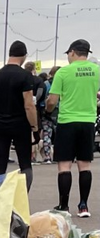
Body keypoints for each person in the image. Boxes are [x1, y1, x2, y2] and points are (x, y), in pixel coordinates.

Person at [47, 39, 99, 218]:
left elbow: (52, 100)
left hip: (67, 121)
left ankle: (63, 205)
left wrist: (48, 110)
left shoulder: (63, 72)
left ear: (72, 52)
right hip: (88, 121)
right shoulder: (97, 70)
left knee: (64, 165)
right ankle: (84, 205)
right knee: (84, 165)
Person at [0, 41, 37, 190]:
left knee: (1, 163)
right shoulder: (25, 76)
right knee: (25, 164)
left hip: (0, 122)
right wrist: (35, 127)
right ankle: (22, 198)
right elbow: (28, 105)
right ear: (24, 55)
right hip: (20, 123)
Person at [39, 67, 58, 164]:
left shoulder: (46, 84)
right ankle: (59, 155)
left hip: (47, 112)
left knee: (47, 134)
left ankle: (47, 156)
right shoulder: (63, 83)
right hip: (61, 112)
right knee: (60, 135)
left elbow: (42, 98)